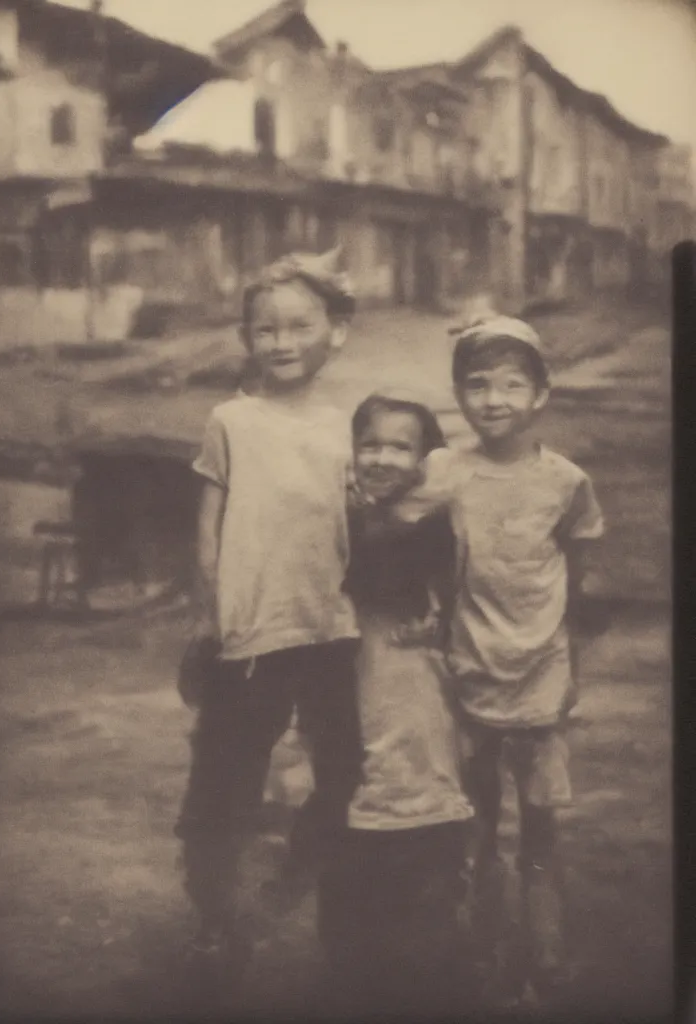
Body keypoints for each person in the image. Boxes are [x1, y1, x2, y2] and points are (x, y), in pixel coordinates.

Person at [173, 249, 364, 983]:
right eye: (265, 330)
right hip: (248, 633)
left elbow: (367, 524)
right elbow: (209, 524)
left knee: (345, 772)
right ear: (248, 338)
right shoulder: (231, 420)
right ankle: (217, 920)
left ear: (335, 332)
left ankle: (310, 879)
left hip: (332, 630)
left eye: (299, 326)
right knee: (223, 778)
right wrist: (211, 611)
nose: (282, 343)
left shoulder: (352, 428)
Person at [418, 316, 605, 1006]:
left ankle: (545, 951)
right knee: (472, 824)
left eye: (511, 385)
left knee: (541, 830)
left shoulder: (565, 481)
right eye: (477, 385)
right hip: (466, 675)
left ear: (541, 393)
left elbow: (576, 573)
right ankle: (479, 948)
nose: (493, 400)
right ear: (459, 394)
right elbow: (415, 548)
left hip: (542, 681)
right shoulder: (446, 474)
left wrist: (570, 665)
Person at [317, 391, 475, 1017]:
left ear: (426, 459)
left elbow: (397, 565)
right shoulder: (345, 520)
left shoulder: (426, 524)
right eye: (369, 443)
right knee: (353, 913)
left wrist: (428, 486)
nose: (380, 457)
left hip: (421, 751)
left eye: (400, 446)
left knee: (427, 909)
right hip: (355, 757)